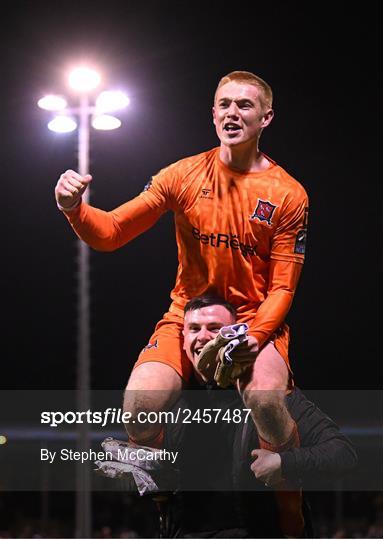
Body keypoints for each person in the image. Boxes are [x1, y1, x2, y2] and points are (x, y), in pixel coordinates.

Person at [54, 71, 309, 459]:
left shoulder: (289, 194)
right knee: (138, 409)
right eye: (224, 104)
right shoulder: (183, 175)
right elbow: (111, 232)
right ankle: (162, 489)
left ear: (266, 118)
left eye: (245, 105)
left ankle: (287, 497)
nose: (233, 113)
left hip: (251, 320)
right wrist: (74, 208)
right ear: (213, 113)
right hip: (187, 317)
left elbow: (283, 289)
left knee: (267, 406)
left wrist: (253, 339)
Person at [96, 296, 357, 538]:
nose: (203, 337)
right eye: (194, 329)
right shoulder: (166, 404)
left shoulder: (269, 398)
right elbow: (141, 488)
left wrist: (284, 462)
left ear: (232, 338)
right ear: (183, 339)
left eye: (214, 328)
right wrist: (140, 474)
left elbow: (343, 455)